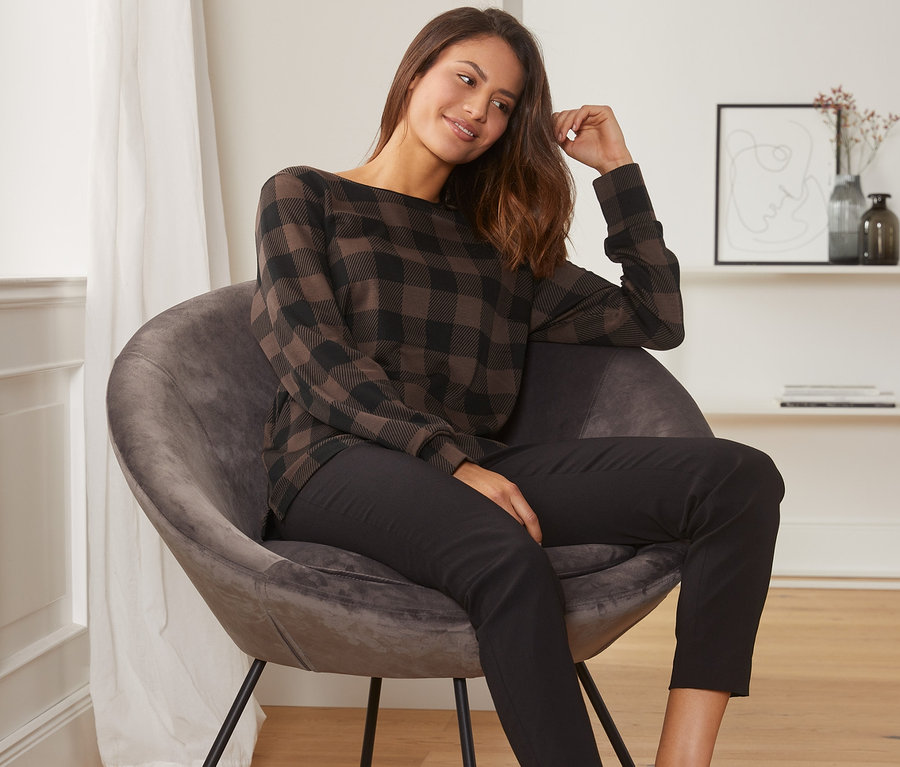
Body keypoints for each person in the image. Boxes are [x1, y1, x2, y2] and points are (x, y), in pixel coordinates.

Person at [251, 7, 783, 766]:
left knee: (737, 479)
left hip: (473, 469)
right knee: (506, 555)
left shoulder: (495, 243)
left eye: (501, 103)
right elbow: (313, 359)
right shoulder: (306, 195)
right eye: (465, 80)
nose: (478, 110)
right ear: (415, 74)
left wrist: (617, 172)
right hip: (334, 462)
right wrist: (447, 460)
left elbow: (655, 317)